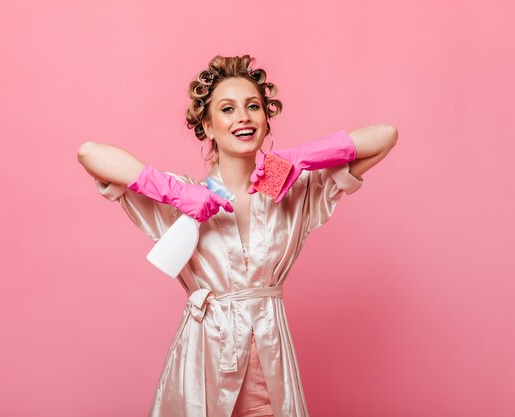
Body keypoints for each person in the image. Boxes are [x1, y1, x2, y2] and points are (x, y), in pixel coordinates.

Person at [77, 54, 397, 417]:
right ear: (208, 127)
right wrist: (174, 192)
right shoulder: (185, 197)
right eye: (227, 109)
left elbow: (386, 136)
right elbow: (89, 154)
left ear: (265, 120)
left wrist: (306, 157)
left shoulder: (285, 188)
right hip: (204, 361)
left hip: (270, 361)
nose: (243, 116)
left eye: (253, 106)